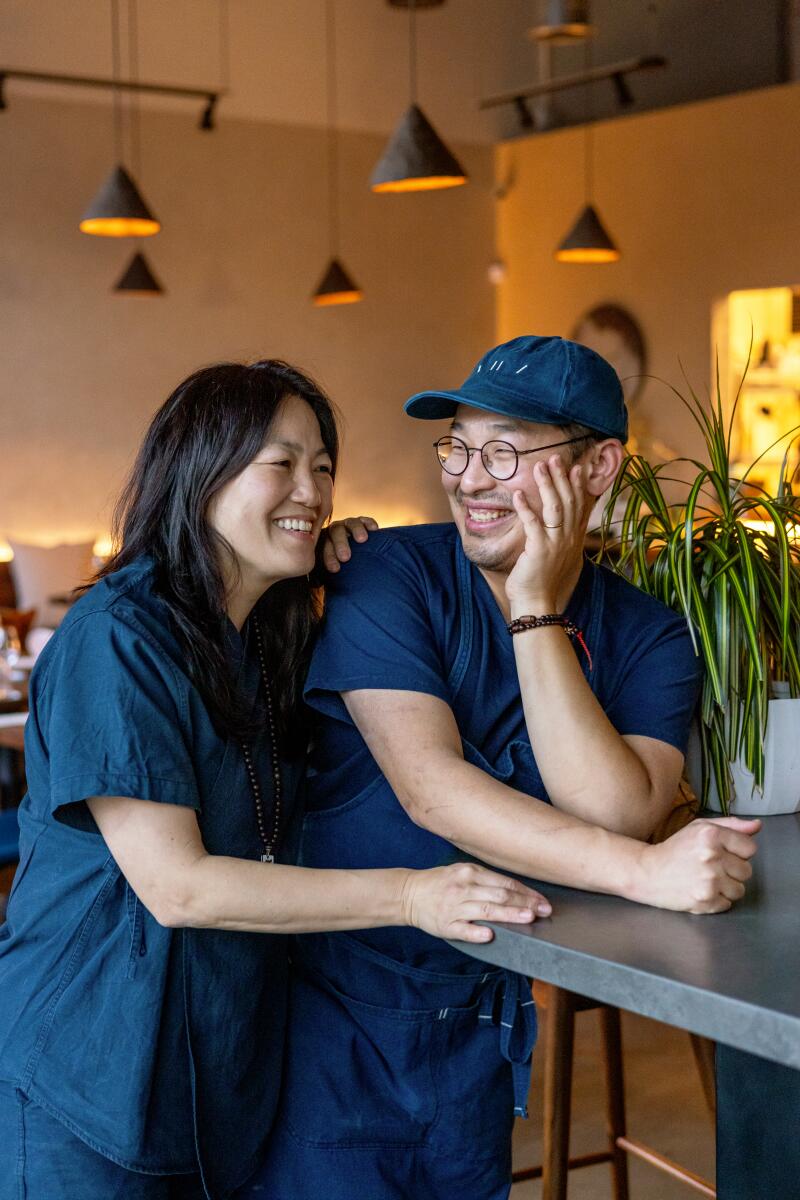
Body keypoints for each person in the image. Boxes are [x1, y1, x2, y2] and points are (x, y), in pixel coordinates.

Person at [0, 359, 549, 1200]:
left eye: (324, 466)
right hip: (86, 1068)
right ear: (201, 470)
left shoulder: (271, 634)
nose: (313, 488)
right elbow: (177, 887)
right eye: (281, 464)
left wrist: (330, 569)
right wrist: (410, 896)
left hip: (214, 1074)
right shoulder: (119, 638)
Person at [256, 335, 761, 1200]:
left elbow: (615, 812)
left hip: (486, 1022)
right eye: (457, 445)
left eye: (503, 452)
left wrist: (534, 606)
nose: (468, 478)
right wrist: (646, 875)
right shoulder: (388, 575)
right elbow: (432, 790)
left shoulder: (650, 634)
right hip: (335, 1019)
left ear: (600, 467)